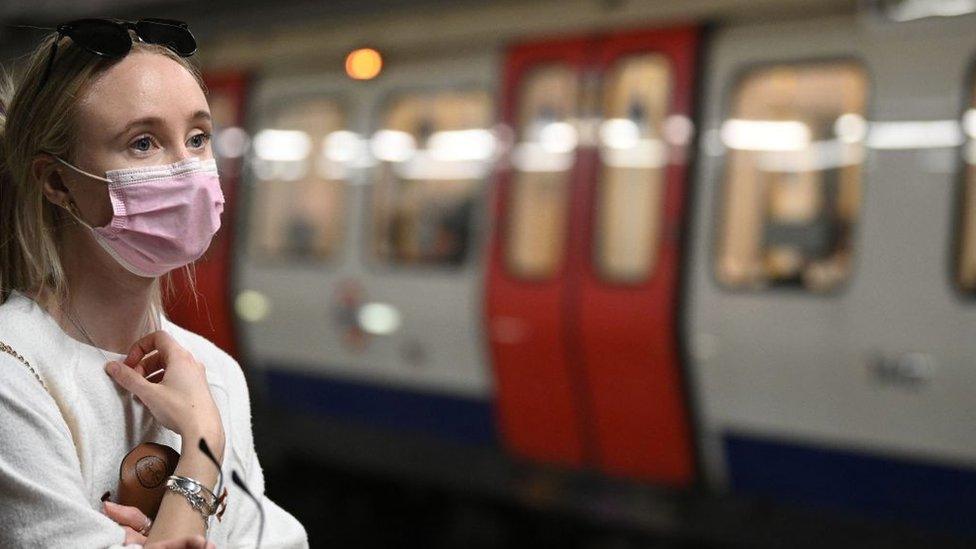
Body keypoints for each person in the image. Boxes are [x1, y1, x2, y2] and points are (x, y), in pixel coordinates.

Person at [0, 18, 309, 548]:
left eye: (197, 137)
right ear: (56, 182)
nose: (187, 169)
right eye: (143, 143)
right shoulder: (14, 376)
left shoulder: (214, 371)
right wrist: (203, 447)